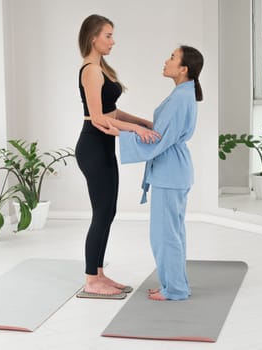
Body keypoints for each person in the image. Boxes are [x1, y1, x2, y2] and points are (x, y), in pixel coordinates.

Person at [97, 45, 204, 301]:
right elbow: (160, 134)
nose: (166, 61)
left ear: (183, 69)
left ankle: (174, 289)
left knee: (165, 235)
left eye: (172, 58)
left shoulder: (181, 97)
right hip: (172, 172)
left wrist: (121, 133)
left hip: (170, 173)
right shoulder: (182, 93)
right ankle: (172, 284)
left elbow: (159, 141)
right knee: (170, 233)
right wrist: (137, 127)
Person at [75, 14, 160, 299]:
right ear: (93, 38)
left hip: (103, 146)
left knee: (108, 212)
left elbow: (113, 112)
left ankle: (98, 273)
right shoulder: (90, 70)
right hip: (92, 147)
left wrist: (142, 122)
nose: (113, 41)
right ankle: (90, 279)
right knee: (101, 213)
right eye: (108, 35)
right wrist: (135, 128)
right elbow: (98, 118)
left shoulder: (103, 69)